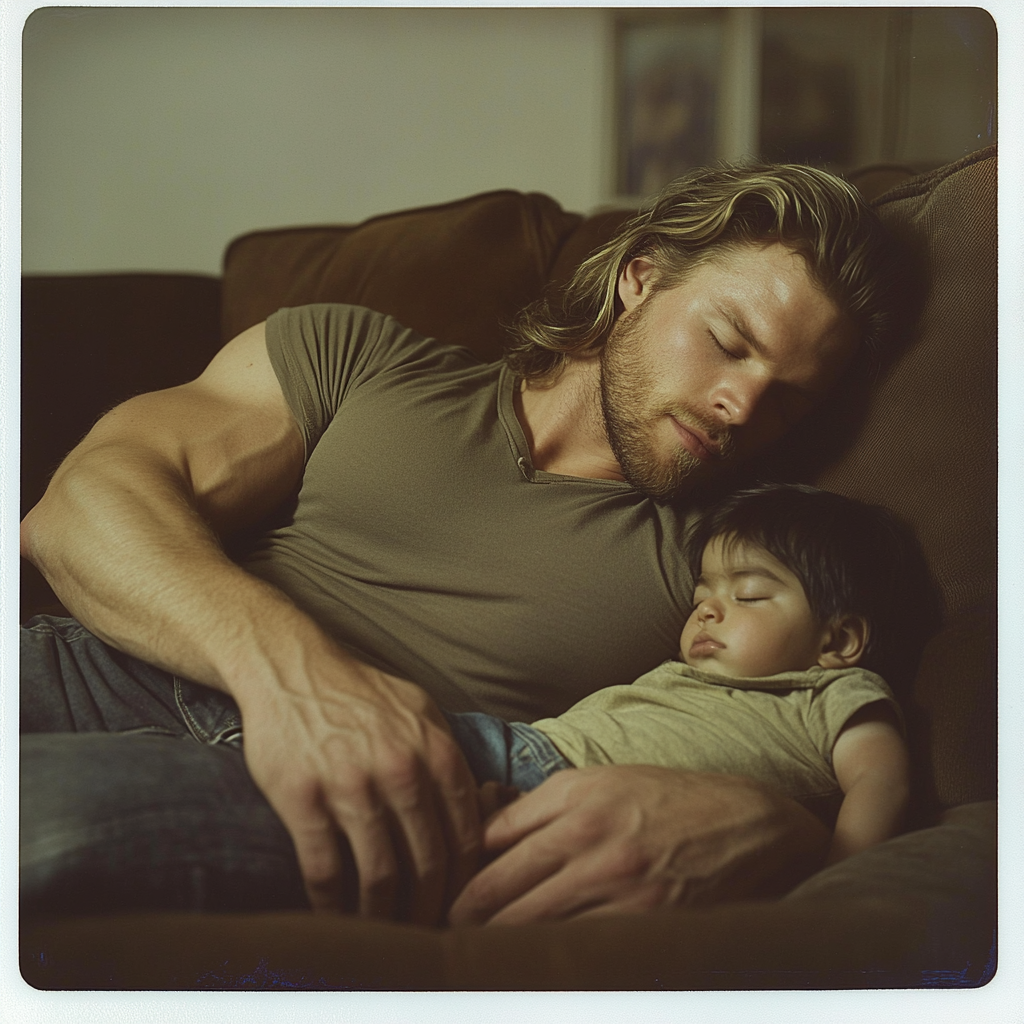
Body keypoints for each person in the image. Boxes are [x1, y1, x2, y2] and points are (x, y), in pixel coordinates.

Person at [20, 163, 897, 927]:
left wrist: (789, 833)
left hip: (347, 792)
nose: (742, 407)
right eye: (728, 342)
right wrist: (301, 678)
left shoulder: (732, 554)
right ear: (640, 277)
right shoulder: (355, 355)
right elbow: (82, 506)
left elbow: (810, 717)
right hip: (98, 667)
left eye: (787, 399)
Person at [443, 483, 912, 875]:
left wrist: (837, 886)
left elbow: (880, 782)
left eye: (747, 595)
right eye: (700, 596)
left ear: (839, 640)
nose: (707, 609)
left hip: (580, 800)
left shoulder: (828, 694)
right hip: (524, 752)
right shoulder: (682, 675)